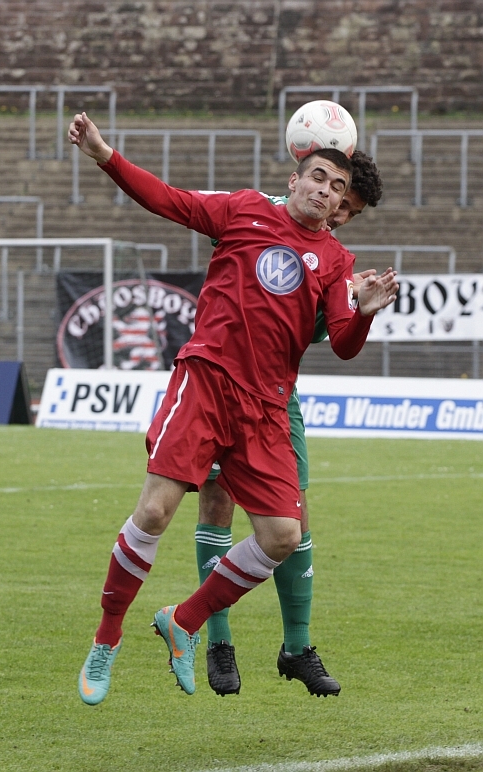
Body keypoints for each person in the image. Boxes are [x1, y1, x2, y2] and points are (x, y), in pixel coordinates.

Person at [68, 112, 398, 703]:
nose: (326, 191)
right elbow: (168, 200)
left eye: (337, 188)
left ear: (340, 204)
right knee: (155, 512)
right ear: (294, 179)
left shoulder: (337, 262)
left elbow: (344, 344)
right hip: (207, 382)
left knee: (282, 535)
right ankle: (106, 639)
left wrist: (365, 313)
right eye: (318, 178)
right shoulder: (243, 209)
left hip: (267, 408)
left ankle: (185, 621)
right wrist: (105, 156)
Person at [197, 151, 384, 698]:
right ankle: (218, 640)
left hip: (277, 396)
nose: (339, 214)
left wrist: (352, 305)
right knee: (216, 502)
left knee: (293, 515)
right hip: (222, 381)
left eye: (350, 210)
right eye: (340, 202)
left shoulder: (334, 259)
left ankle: (297, 648)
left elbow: (326, 335)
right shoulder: (263, 215)